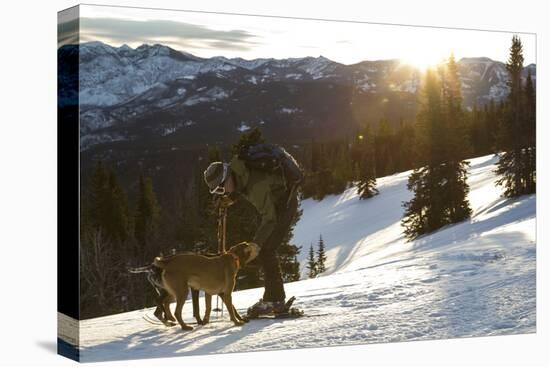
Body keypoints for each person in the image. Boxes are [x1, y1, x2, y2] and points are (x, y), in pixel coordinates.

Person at [203, 146, 300, 316]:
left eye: (221, 188)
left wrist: (255, 245)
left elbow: (270, 219)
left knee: (267, 250)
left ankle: (275, 300)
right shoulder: (238, 170)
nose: (222, 193)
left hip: (285, 205)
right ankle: (272, 298)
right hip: (275, 201)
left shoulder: (256, 186)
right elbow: (241, 185)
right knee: (266, 250)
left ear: (226, 178)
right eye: (218, 192)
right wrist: (230, 199)